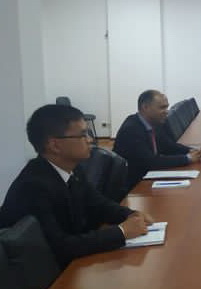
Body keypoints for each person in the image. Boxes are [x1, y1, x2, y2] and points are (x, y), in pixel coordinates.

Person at [0, 104, 151, 268]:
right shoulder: (33, 186)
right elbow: (61, 247)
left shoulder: (72, 168)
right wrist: (121, 232)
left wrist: (131, 215)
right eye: (83, 135)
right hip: (41, 274)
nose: (90, 140)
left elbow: (98, 204)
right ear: (54, 145)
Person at [113, 90, 201, 190]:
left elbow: (168, 145)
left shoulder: (154, 123)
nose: (167, 111)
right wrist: (187, 158)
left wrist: (190, 150)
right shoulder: (131, 129)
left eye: (167, 107)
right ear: (145, 107)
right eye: (162, 108)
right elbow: (151, 162)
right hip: (134, 185)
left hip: (148, 176)